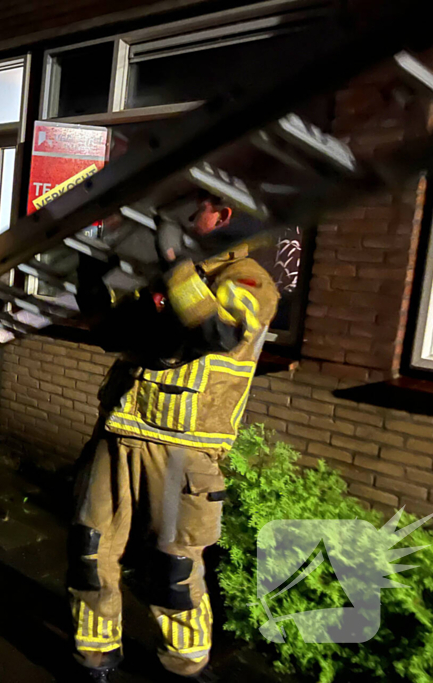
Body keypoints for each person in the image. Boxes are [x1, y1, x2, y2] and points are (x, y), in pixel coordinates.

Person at [68, 194, 278, 682]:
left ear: (222, 215)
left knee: (173, 571)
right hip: (119, 431)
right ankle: (95, 657)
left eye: (196, 205)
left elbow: (217, 332)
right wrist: (89, 263)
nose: (181, 214)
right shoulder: (163, 274)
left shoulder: (248, 279)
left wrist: (172, 260)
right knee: (89, 551)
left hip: (184, 448)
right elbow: (109, 331)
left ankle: (184, 668)